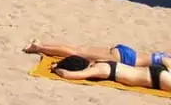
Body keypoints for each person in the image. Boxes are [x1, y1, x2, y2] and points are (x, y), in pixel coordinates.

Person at [48, 54, 168, 91]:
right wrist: (57, 63)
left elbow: (68, 75)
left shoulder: (97, 69)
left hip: (155, 78)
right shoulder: (99, 61)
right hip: (155, 69)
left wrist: (56, 69)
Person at [25, 40, 170, 71]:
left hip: (126, 53)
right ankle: (39, 47)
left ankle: (41, 46)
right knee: (78, 52)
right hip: (126, 59)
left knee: (79, 49)